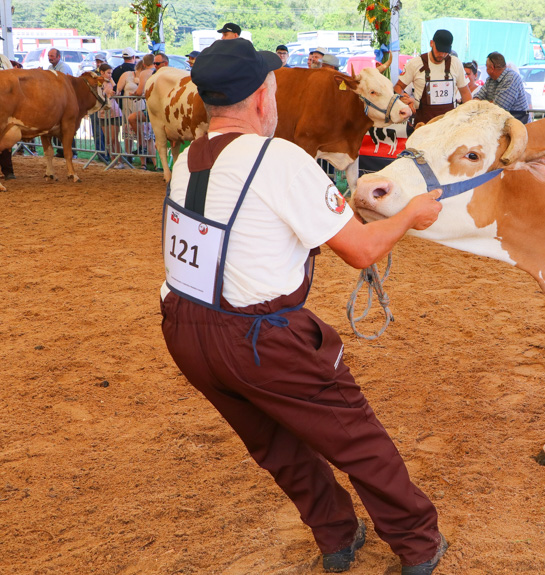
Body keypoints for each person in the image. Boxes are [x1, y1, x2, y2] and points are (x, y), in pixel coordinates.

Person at [160, 38, 448, 575]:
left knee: (274, 444)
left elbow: (241, 233)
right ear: (262, 98)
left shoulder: (188, 159)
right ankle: (418, 542)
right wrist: (408, 215)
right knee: (355, 436)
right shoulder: (279, 158)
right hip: (260, 336)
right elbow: (360, 249)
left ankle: (337, 537)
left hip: (185, 328)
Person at [395, 29, 472, 126]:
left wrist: (470, 116)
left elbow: (465, 93)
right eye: (439, 50)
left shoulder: (455, 63)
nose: (442, 55)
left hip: (449, 124)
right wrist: (403, 99)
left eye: (445, 52)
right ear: (432, 43)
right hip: (424, 124)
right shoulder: (415, 64)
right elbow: (398, 87)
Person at [474, 52, 530, 124]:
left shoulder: (511, 78)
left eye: (486, 67)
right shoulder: (490, 79)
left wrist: (481, 104)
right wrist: (488, 102)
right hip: (501, 123)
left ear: (492, 68)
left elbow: (499, 107)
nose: (486, 69)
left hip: (518, 123)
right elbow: (478, 97)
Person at [96, 63, 123, 160]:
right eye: (108, 73)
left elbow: (117, 90)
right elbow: (98, 95)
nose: (110, 75)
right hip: (103, 113)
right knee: (108, 140)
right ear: (102, 72)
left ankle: (120, 160)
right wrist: (106, 94)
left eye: (111, 73)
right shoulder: (98, 83)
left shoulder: (111, 82)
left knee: (114, 139)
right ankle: (113, 159)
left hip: (114, 113)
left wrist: (111, 81)